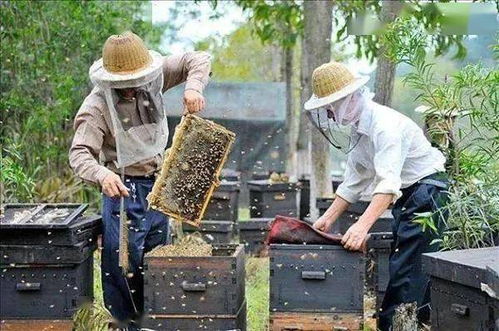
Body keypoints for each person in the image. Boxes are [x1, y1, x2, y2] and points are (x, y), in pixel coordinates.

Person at [69, 31, 211, 329]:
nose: (133, 90)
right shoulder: (95, 107)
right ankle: (125, 324)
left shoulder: (155, 77)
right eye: (125, 86)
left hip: (160, 185)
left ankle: (155, 321)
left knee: (158, 258)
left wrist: (194, 88)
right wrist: (101, 173)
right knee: (123, 265)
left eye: (136, 82)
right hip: (123, 189)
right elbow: (79, 153)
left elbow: (198, 58)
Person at [304, 62, 449, 330]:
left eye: (331, 107)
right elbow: (354, 182)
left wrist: (360, 226)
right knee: (405, 268)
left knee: (409, 274)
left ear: (347, 99)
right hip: (411, 196)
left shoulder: (385, 126)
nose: (330, 115)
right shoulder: (360, 131)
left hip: (429, 194)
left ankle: (401, 325)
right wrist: (326, 218)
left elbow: (387, 184)